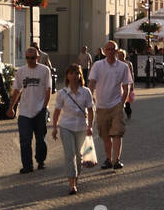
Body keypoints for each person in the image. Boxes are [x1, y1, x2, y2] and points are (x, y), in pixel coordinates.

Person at [88, 40, 134, 170]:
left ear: (117, 51)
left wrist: (122, 103)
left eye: (113, 49)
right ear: (104, 51)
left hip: (116, 104)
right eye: (108, 49)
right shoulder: (97, 65)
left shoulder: (123, 67)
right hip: (101, 105)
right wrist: (89, 97)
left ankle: (116, 160)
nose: (110, 51)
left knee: (117, 133)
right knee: (105, 135)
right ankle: (108, 159)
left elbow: (126, 87)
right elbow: (91, 83)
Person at [51, 64, 95, 195]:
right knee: (70, 155)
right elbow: (57, 112)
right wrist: (54, 127)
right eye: (71, 73)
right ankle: (72, 184)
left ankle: (76, 178)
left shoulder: (86, 91)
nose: (74, 76)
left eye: (77, 73)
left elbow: (91, 110)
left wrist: (90, 126)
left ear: (80, 75)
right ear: (67, 76)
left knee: (79, 155)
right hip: (66, 126)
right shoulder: (62, 93)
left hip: (81, 126)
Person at [10, 45, 53, 173]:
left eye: (32, 58)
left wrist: (44, 107)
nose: (30, 60)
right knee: (25, 140)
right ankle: (27, 165)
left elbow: (48, 90)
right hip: (24, 111)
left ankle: (40, 160)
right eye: (27, 58)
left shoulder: (44, 70)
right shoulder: (21, 71)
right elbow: (17, 90)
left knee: (40, 139)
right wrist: (11, 107)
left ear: (38, 58)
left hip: (40, 109)